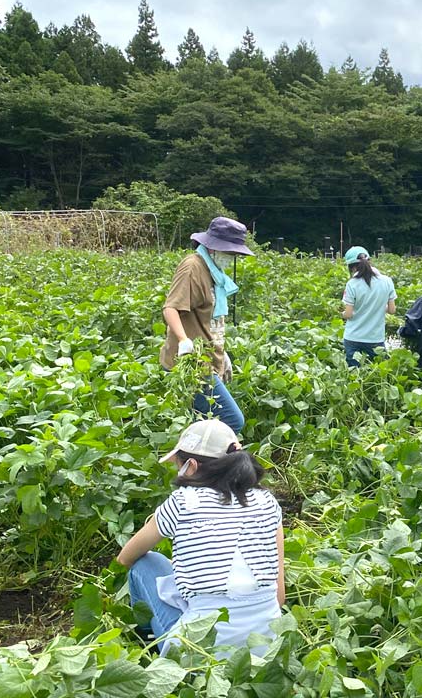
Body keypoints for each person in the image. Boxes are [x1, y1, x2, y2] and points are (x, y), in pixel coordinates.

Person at [117, 419, 285, 655]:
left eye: (178, 464)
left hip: (197, 653)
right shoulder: (267, 501)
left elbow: (125, 558)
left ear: (192, 466)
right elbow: (279, 596)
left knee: (145, 564)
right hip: (263, 648)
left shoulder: (183, 501)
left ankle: (149, 642)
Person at [160, 217, 252, 432]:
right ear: (213, 248)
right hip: (191, 364)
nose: (231, 259)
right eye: (229, 253)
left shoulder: (214, 273)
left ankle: (196, 463)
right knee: (231, 421)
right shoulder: (193, 267)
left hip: (208, 359)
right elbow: (170, 308)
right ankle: (205, 464)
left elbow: (209, 320)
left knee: (203, 424)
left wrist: (222, 353)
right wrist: (183, 341)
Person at [341, 246, 396, 367]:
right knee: (378, 375)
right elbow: (392, 310)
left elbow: (348, 314)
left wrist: (342, 314)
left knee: (354, 376)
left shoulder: (352, 284)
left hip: (353, 338)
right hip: (375, 338)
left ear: (351, 267)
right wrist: (378, 307)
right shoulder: (387, 281)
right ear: (369, 261)